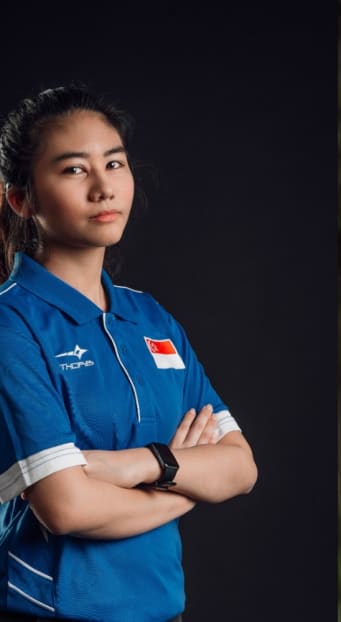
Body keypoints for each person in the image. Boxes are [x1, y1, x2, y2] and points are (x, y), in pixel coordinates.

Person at [0, 86, 258, 621]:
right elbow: (67, 507)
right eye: (74, 170)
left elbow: (239, 467)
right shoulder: (11, 324)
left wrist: (139, 464)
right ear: (22, 199)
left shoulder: (151, 319)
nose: (103, 188)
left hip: (163, 608)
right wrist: (183, 487)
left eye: (113, 163)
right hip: (49, 612)